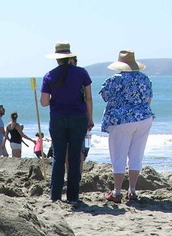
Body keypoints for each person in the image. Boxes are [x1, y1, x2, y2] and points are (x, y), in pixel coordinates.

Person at [39, 42, 93, 206]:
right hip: (78, 117)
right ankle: (73, 196)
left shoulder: (49, 75)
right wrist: (90, 118)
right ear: (70, 57)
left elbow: (43, 102)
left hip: (57, 118)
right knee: (75, 157)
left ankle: (55, 195)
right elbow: (88, 98)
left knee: (58, 157)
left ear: (57, 59)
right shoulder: (81, 73)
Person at [100, 50, 155, 203]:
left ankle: (117, 192)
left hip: (121, 120)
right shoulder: (145, 79)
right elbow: (148, 100)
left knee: (119, 156)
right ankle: (132, 190)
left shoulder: (115, 79)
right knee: (136, 155)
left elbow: (105, 97)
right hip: (144, 118)